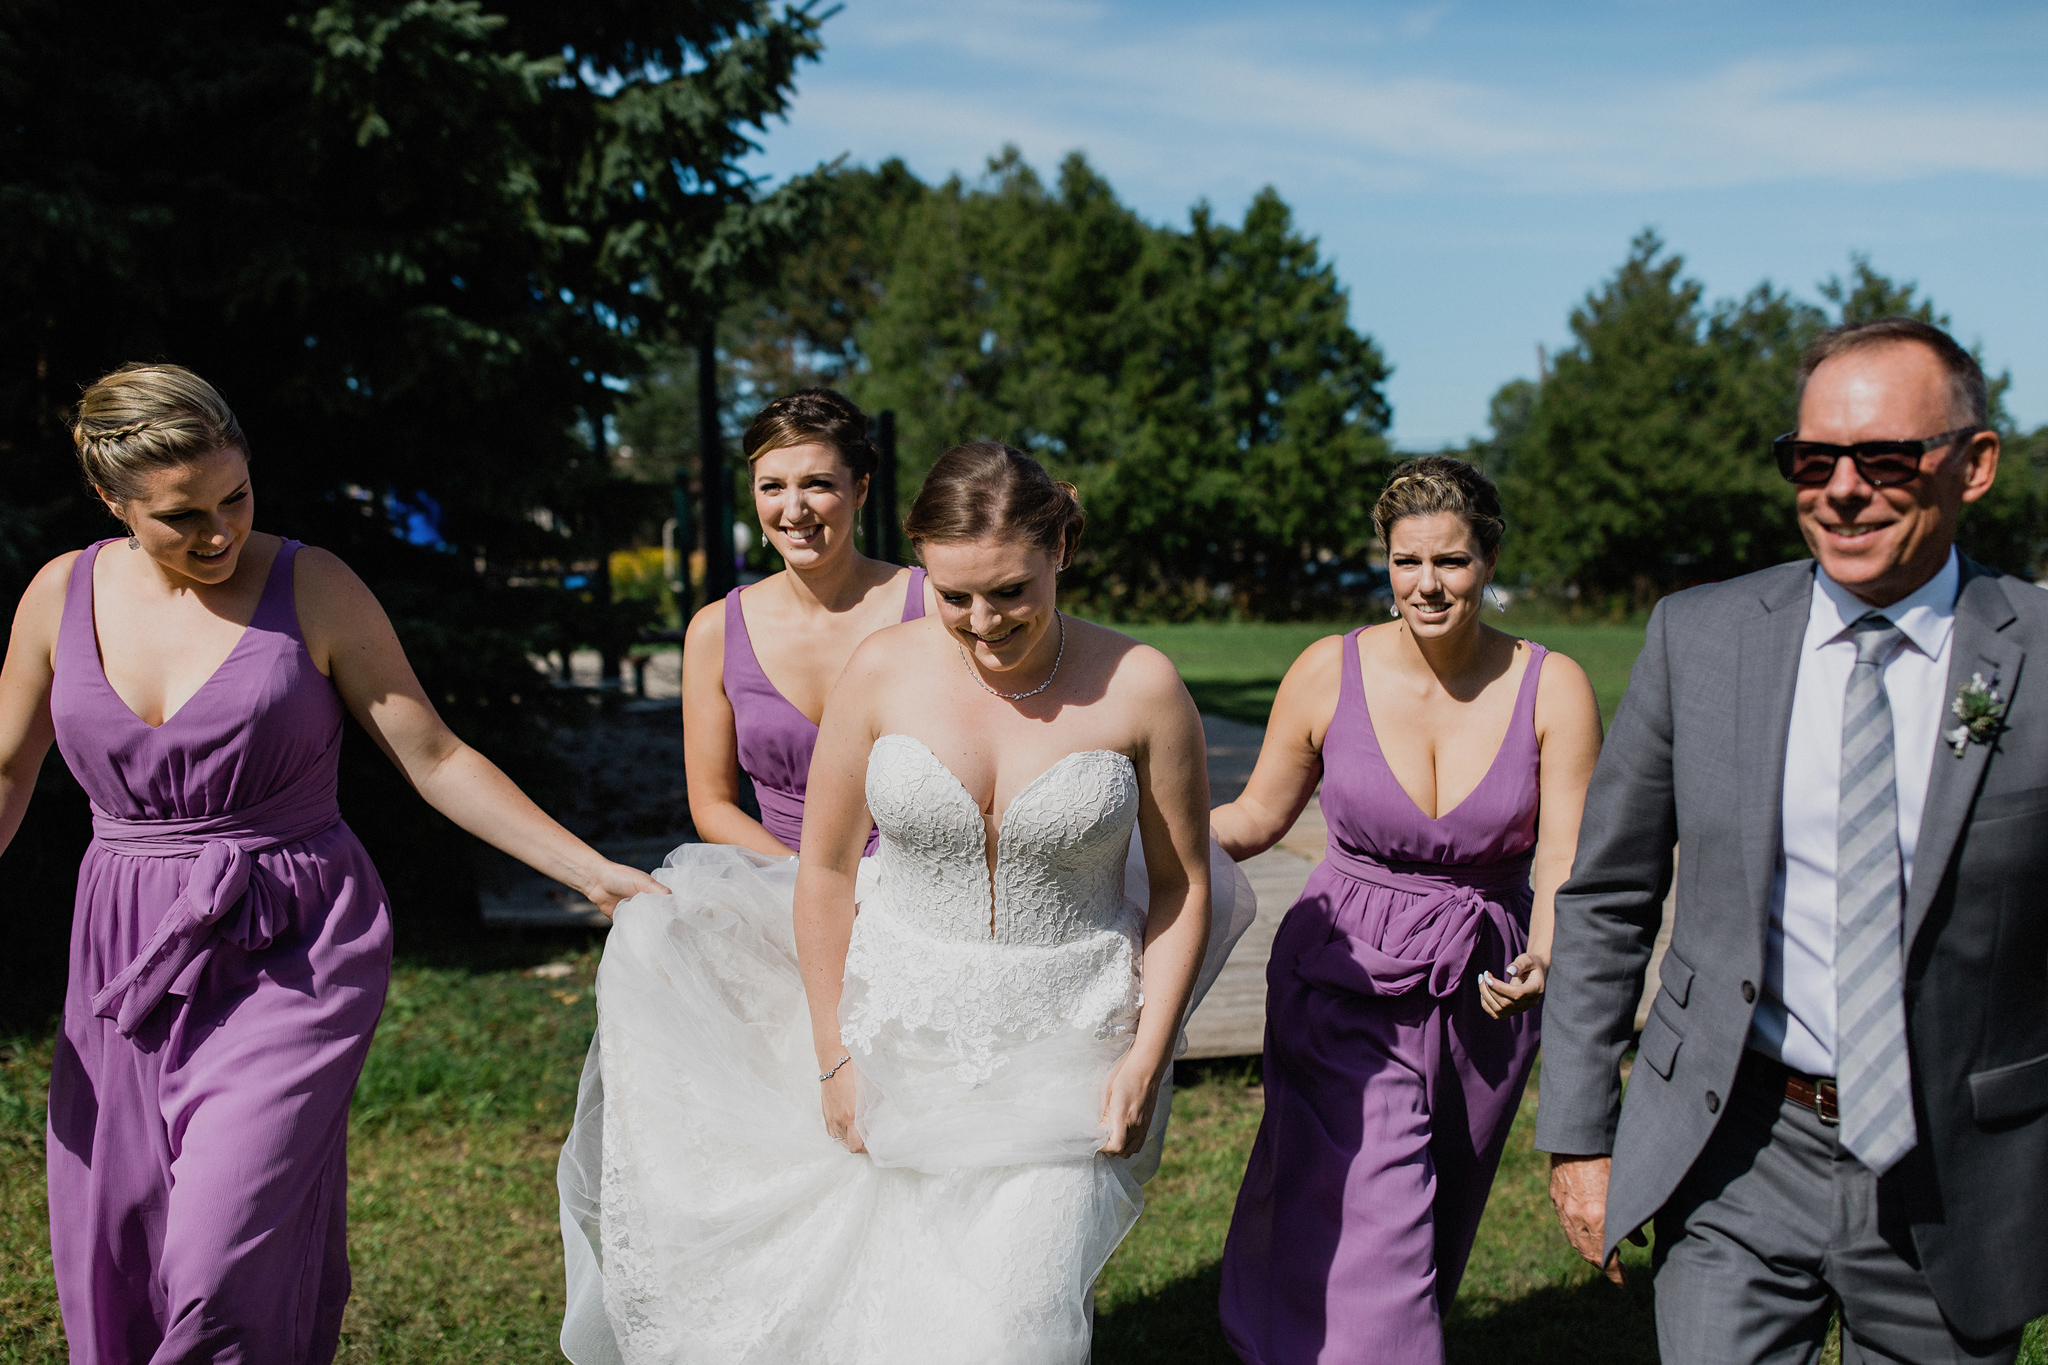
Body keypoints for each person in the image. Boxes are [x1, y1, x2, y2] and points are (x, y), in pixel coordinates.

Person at [0, 362, 661, 1364]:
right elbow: (6, 770)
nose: (220, 532)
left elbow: (432, 755)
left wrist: (591, 873)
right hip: (125, 950)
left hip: (293, 946)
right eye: (183, 516)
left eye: (236, 496)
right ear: (112, 500)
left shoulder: (312, 585)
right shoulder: (60, 593)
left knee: (223, 1253)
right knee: (126, 1243)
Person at [558, 443, 1252, 1364]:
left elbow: (1182, 885)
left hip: (1070, 1044)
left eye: (1009, 591)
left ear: (1061, 552)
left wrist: (1145, 1055)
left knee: (1011, 1331)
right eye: (954, 594)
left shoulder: (1143, 686)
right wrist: (833, 1053)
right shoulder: (883, 671)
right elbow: (829, 870)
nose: (981, 620)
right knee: (894, 1312)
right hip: (899, 1033)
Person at [1537, 318, 2048, 1364]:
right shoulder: (1701, 636)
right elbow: (1608, 894)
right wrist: (1578, 1131)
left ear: (1974, 465)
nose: (1841, 489)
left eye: (1884, 458)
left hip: (1953, 1172)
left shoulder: (2034, 653)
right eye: (1811, 459)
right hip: (1735, 1149)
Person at [1213, 456, 1603, 1365]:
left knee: (1430, 1221)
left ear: (1491, 559)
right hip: (1343, 970)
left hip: (1486, 984)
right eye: (1406, 561)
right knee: (1366, 1209)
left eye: (1453, 562)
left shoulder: (1555, 686)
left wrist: (1543, 956)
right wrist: (1148, 840)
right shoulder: (1325, 671)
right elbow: (1259, 815)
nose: (1427, 584)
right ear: (1385, 563)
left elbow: (1562, 857)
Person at [680, 388, 930, 856]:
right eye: (772, 487)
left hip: (923, 887)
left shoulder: (934, 606)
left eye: (817, 484)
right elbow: (712, 804)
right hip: (777, 885)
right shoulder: (714, 633)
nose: (793, 511)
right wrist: (811, 884)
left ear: (860, 490)